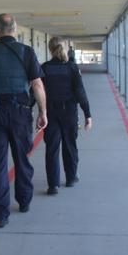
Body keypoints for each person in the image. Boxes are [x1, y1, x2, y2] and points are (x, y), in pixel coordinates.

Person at [0, 13, 47, 228]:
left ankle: (1, 214)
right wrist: (43, 112)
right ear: (14, 29)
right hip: (20, 113)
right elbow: (37, 85)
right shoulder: (27, 52)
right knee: (22, 159)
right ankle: (24, 201)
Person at [41, 37, 92, 195]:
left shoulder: (44, 68)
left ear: (49, 49)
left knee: (52, 148)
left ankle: (53, 185)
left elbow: (37, 91)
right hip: (69, 111)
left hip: (51, 112)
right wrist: (87, 114)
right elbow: (80, 92)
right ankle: (70, 177)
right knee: (70, 145)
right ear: (65, 48)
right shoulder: (72, 67)